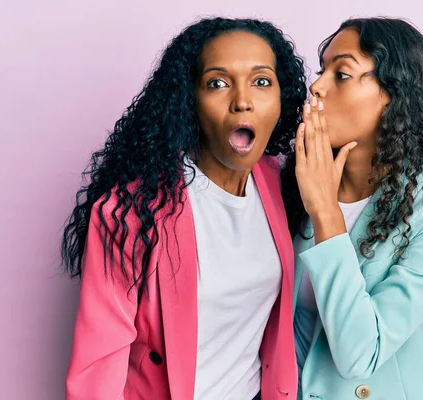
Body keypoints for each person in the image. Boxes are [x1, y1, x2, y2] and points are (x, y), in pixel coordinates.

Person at [62, 17, 307, 400]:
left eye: (261, 82)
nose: (242, 100)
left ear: (282, 98)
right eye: (218, 83)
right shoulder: (130, 211)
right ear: (189, 101)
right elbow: (98, 367)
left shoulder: (277, 183)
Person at [281, 17, 423, 400]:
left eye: (341, 74)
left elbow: (359, 356)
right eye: (322, 70)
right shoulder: (292, 178)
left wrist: (326, 213)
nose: (317, 86)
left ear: (393, 92)